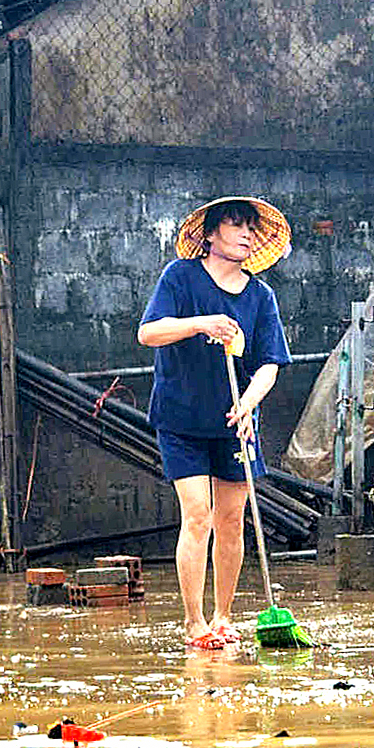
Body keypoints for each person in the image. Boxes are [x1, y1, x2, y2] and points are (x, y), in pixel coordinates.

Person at [137, 197, 293, 649]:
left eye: (250, 228)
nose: (246, 234)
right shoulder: (180, 278)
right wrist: (202, 323)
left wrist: (248, 403)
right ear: (209, 234)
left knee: (231, 519)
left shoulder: (261, 296)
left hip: (236, 419)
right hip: (182, 417)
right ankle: (194, 622)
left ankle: (224, 616)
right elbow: (148, 333)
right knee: (198, 515)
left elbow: (270, 364)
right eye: (235, 225)